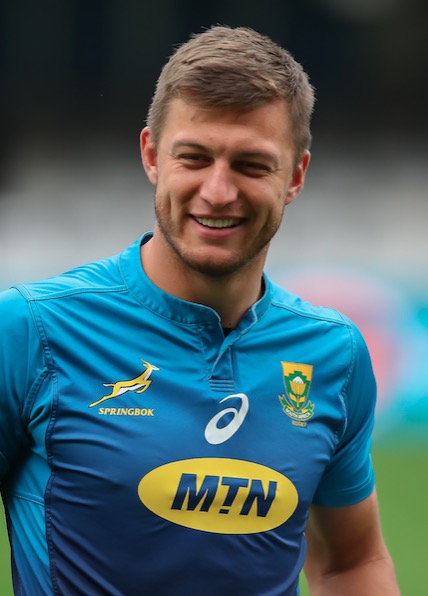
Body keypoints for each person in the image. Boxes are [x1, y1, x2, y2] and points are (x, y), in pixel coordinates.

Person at [0, 25, 399, 595]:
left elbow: (350, 562)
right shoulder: (30, 329)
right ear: (151, 156)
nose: (218, 191)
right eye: (194, 157)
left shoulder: (333, 353)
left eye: (252, 165)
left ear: (297, 176)